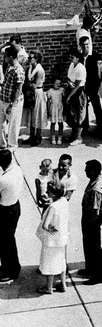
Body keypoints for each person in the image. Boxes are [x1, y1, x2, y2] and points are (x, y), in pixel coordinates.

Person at [36, 182, 69, 295]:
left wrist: (49, 228)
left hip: (51, 241)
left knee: (50, 263)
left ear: (52, 193)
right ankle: (63, 284)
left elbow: (45, 225)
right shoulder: (63, 201)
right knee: (61, 261)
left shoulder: (53, 207)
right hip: (62, 238)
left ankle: (48, 287)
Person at [79, 160, 102, 285]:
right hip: (90, 214)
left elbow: (95, 211)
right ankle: (90, 268)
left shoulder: (96, 188)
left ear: (93, 171)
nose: (85, 171)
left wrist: (89, 224)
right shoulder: (99, 179)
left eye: (87, 170)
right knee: (88, 243)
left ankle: (99, 275)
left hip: (92, 217)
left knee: (94, 246)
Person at [0, 149, 23, 282]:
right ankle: (11, 268)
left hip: (5, 211)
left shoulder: (3, 180)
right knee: (8, 240)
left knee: (5, 242)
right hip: (15, 207)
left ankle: (10, 271)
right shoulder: (17, 169)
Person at [0, 46, 25, 149]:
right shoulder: (9, 67)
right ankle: (2, 144)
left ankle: (12, 147)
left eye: (5, 56)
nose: (4, 58)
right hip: (3, 100)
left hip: (13, 104)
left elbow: (18, 90)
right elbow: (6, 84)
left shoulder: (18, 70)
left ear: (11, 57)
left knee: (13, 127)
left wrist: (11, 104)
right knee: (0, 124)